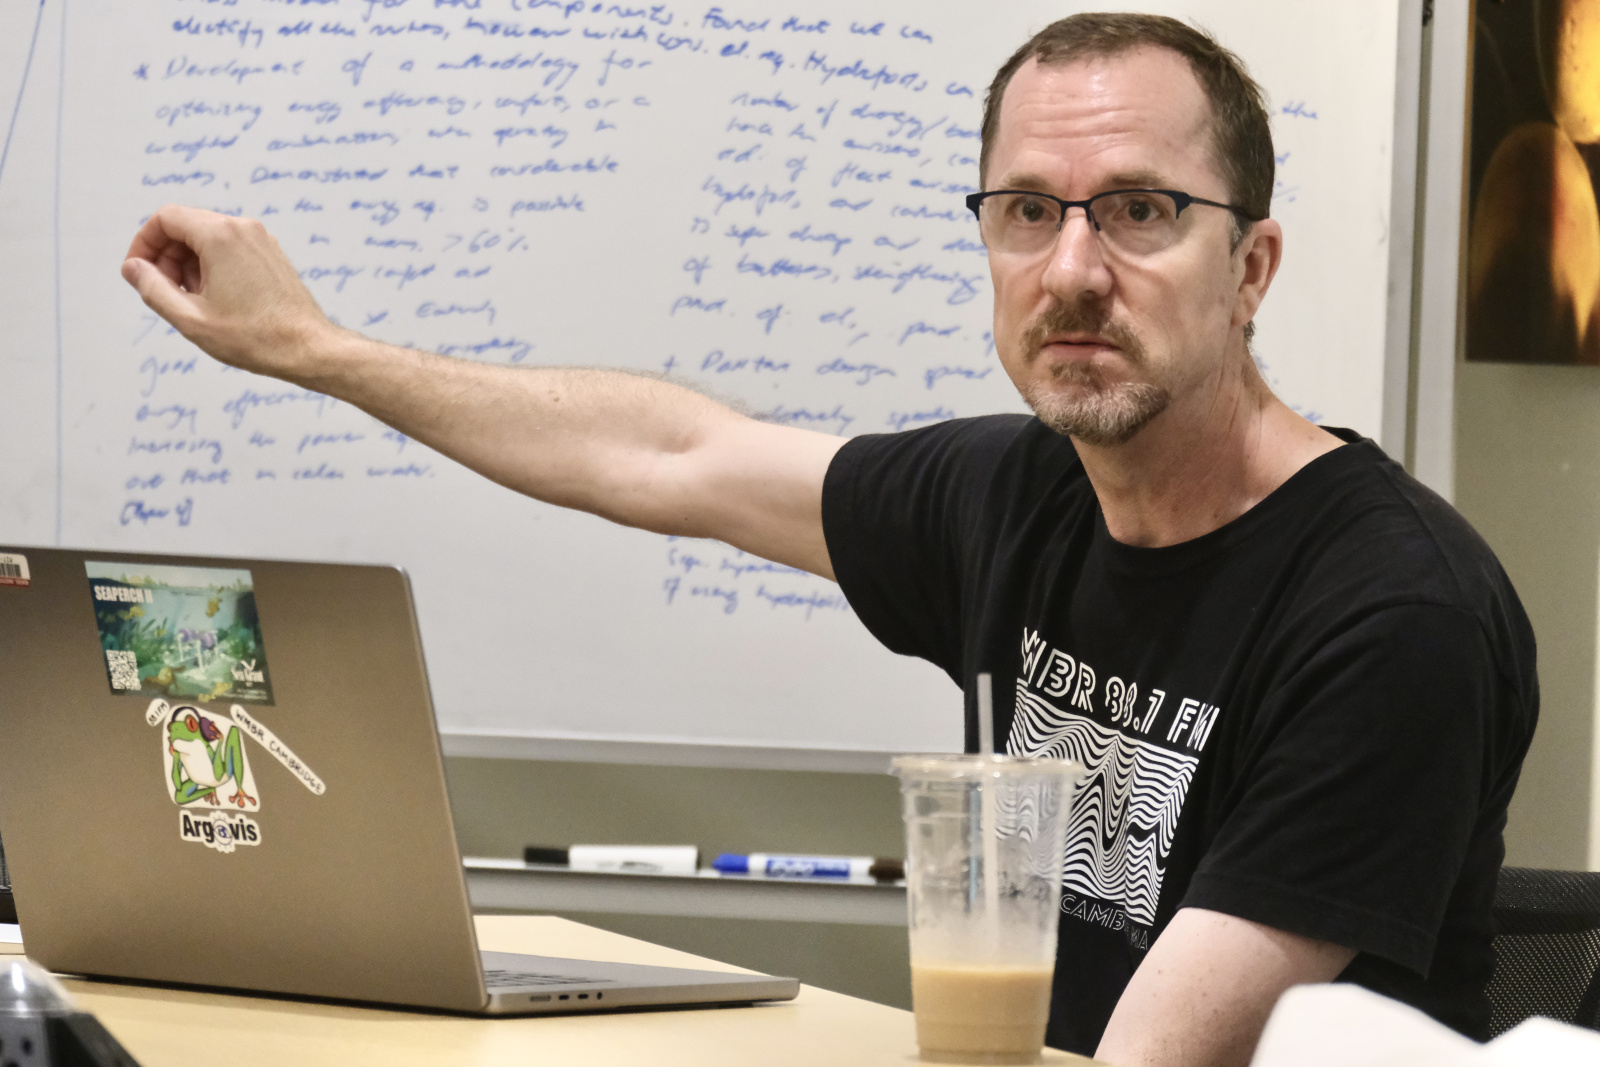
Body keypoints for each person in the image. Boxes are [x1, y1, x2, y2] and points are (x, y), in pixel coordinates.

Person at [118, 12, 1537, 1067]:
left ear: (1253, 269)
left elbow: (1157, 1056)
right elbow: (670, 454)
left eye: (1143, 213)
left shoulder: (1391, 615)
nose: (1073, 271)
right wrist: (311, 349)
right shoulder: (1020, 496)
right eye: (1027, 213)